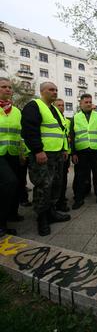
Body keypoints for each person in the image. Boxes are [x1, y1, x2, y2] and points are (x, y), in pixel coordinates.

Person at [21, 82, 71, 236]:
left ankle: (51, 212)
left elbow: (60, 131)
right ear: (42, 91)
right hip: (42, 154)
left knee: (56, 184)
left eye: (56, 89)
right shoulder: (34, 105)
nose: (55, 92)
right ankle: (42, 218)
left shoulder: (54, 109)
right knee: (43, 185)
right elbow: (29, 130)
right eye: (51, 89)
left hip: (57, 154)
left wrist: (64, 149)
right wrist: (38, 150)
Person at [70, 93, 97, 209]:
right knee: (80, 176)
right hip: (81, 152)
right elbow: (72, 137)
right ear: (80, 104)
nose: (88, 104)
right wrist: (73, 153)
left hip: (96, 151)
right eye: (86, 102)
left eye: (90, 102)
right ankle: (78, 199)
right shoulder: (75, 118)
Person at [0, 77, 24, 237]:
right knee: (9, 182)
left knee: (17, 184)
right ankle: (1, 223)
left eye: (9, 87)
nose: (8, 89)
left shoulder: (16, 111)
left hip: (14, 153)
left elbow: (21, 135)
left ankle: (11, 214)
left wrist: (23, 153)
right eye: (4, 87)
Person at [53, 98, 71, 212]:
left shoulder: (67, 121)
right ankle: (53, 202)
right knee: (52, 180)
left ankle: (61, 200)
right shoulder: (51, 119)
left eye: (63, 105)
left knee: (63, 179)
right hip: (52, 153)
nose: (61, 107)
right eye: (58, 105)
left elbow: (68, 135)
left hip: (65, 153)